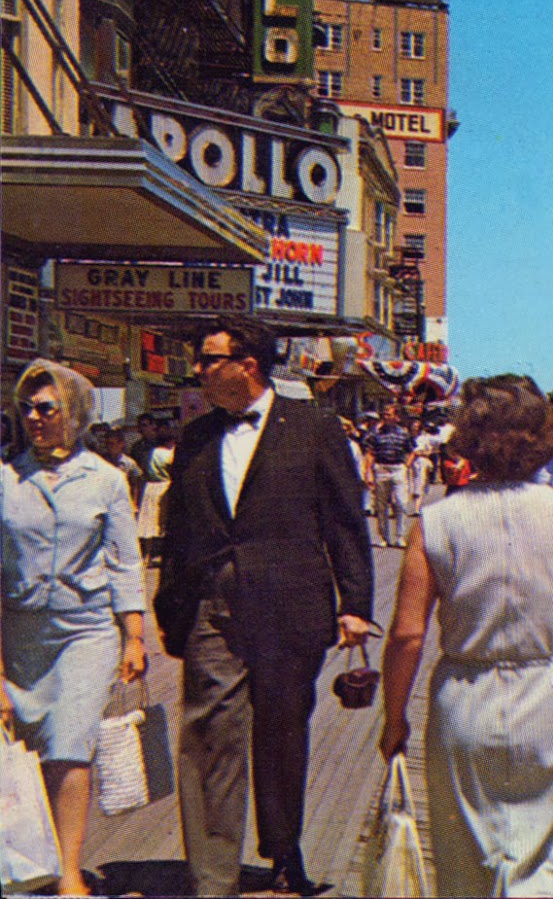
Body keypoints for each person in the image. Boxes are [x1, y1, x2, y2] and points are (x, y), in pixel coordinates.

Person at [380, 377, 553, 897]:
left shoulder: (436, 522)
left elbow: (406, 635)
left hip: (466, 697)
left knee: (467, 854)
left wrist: (394, 716)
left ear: (469, 440)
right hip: (550, 693)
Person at [155, 321, 376, 896]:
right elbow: (177, 525)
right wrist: (170, 604)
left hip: (290, 608)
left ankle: (283, 849)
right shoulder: (197, 436)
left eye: (209, 360)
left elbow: (345, 522)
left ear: (247, 364)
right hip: (214, 606)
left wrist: (355, 604)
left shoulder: (314, 429)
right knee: (209, 734)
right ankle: (213, 875)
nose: (199, 370)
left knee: (281, 731)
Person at [1, 360, 147, 897]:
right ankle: (27, 860)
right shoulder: (5, 478)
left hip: (86, 631)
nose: (36, 418)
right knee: (32, 749)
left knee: (70, 743)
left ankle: (68, 871)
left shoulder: (107, 479)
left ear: (76, 413)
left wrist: (133, 634)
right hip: (21, 635)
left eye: (47, 408)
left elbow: (124, 562)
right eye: (28, 409)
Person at [363, 403, 415, 548]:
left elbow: (411, 450)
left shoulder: (403, 433)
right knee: (381, 505)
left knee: (401, 502)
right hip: (381, 468)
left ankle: (400, 536)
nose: (386, 417)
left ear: (396, 417)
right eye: (384, 415)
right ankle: (383, 536)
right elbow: (370, 453)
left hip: (398, 468)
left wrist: (406, 465)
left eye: (389, 414)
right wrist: (368, 473)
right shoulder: (375, 433)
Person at [135, 421, 177, 566]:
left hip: (149, 487)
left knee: (147, 524)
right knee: (163, 522)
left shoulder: (149, 454)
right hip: (163, 486)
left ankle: (146, 556)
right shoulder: (168, 454)